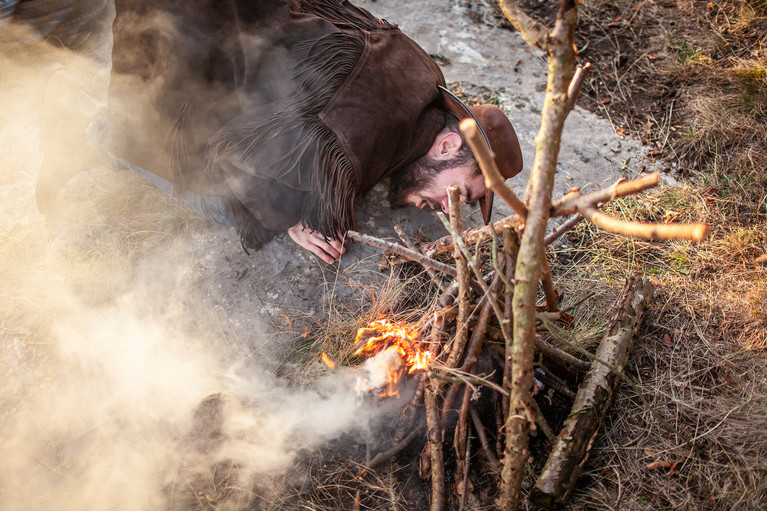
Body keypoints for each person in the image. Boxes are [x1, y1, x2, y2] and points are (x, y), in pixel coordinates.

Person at [31, 0, 524, 263]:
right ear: (448, 143)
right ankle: (85, 124)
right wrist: (289, 214)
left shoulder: (420, 78)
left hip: (247, 19)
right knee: (230, 205)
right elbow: (237, 152)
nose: (443, 209)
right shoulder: (360, 132)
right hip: (190, 39)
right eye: (457, 194)